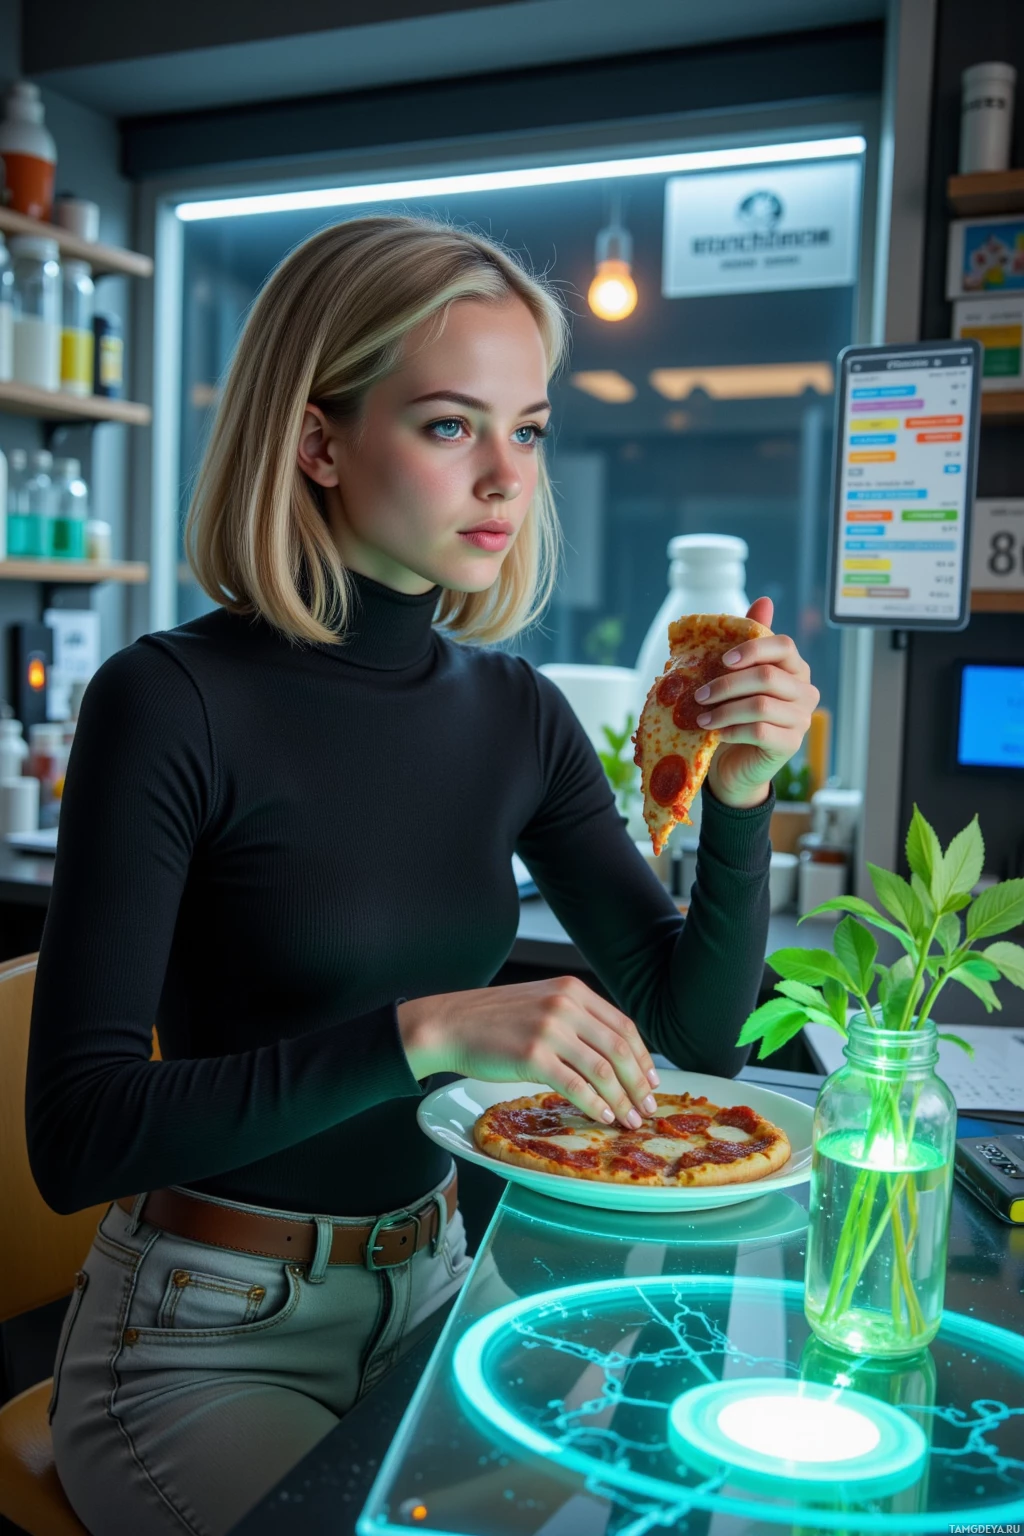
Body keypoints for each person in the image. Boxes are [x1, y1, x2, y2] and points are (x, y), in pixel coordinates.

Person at [26, 214, 818, 1535]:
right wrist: (434, 1032)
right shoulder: (166, 702)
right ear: (318, 441)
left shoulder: (518, 714)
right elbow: (78, 1135)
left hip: (441, 1283)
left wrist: (740, 801)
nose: (508, 478)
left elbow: (696, 1037)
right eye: (453, 426)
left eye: (531, 429)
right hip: (200, 1334)